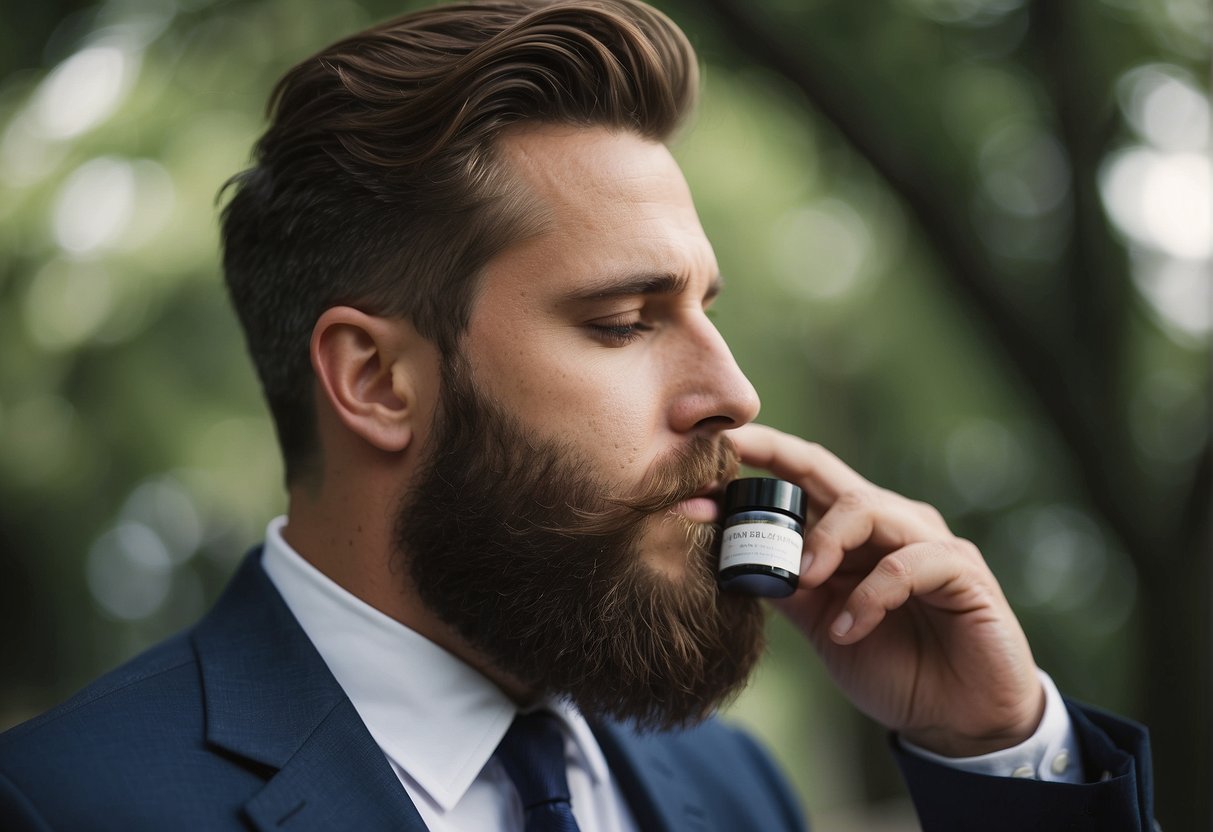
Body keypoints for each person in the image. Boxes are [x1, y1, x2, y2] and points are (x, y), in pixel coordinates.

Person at [0, 1, 1155, 829]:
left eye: (705, 307)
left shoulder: (738, 791)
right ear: (374, 379)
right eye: (623, 320)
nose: (734, 392)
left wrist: (998, 761)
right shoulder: (64, 803)